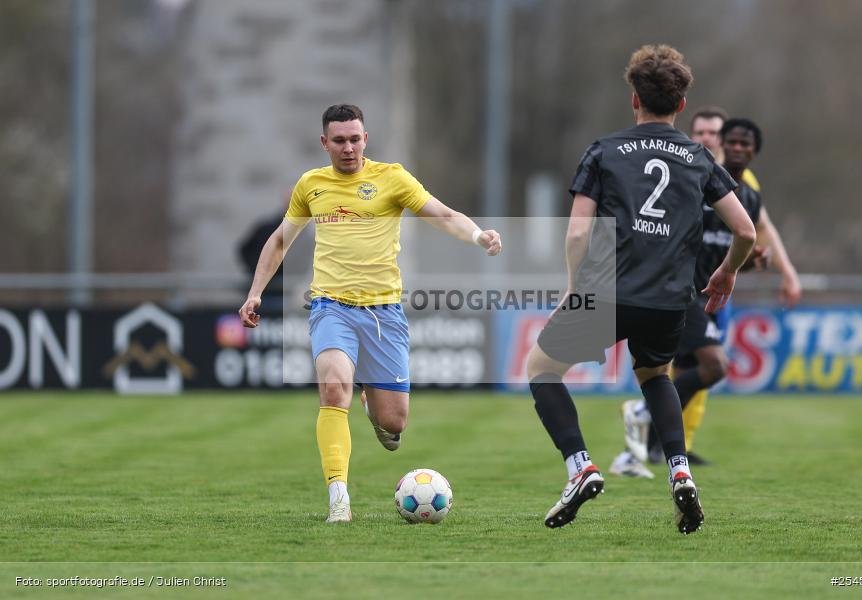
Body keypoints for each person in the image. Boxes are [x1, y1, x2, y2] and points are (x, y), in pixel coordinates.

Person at [525, 45, 756, 534]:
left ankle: (580, 466)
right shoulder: (699, 158)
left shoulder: (605, 150)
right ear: (682, 105)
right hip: (671, 299)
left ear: (634, 100)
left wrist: (573, 287)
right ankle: (679, 471)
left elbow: (576, 233)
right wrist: (728, 272)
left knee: (542, 368)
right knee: (655, 375)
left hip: (606, 292)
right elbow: (746, 232)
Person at [238, 104, 502, 523]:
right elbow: (279, 242)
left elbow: (442, 214)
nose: (348, 148)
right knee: (332, 389)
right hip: (330, 307)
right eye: (339, 140)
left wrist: (476, 234)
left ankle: (374, 406)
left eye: (355, 139)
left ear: (366, 139)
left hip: (384, 314)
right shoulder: (311, 185)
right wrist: (255, 294)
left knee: (394, 423)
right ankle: (338, 498)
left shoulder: (391, 178)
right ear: (324, 143)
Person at [613, 117, 802, 477]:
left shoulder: (747, 197)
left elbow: (725, 261)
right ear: (720, 144)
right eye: (729, 140)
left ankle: (635, 454)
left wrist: (751, 261)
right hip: (679, 293)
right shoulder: (696, 180)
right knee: (715, 366)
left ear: (755, 151)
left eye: (745, 143)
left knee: (678, 378)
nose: (736, 147)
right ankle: (641, 413)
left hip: (706, 298)